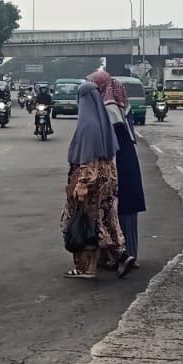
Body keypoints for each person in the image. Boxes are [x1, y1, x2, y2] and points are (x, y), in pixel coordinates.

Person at [60, 81, 126, 280]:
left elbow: (88, 158)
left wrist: (81, 184)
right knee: (103, 219)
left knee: (81, 222)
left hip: (90, 181)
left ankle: (85, 268)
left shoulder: (88, 125)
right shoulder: (101, 120)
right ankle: (119, 254)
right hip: (107, 178)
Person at [89, 70, 145, 277]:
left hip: (117, 164)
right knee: (125, 211)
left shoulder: (110, 110)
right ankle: (129, 254)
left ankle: (120, 255)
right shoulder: (119, 106)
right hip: (127, 162)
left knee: (116, 209)